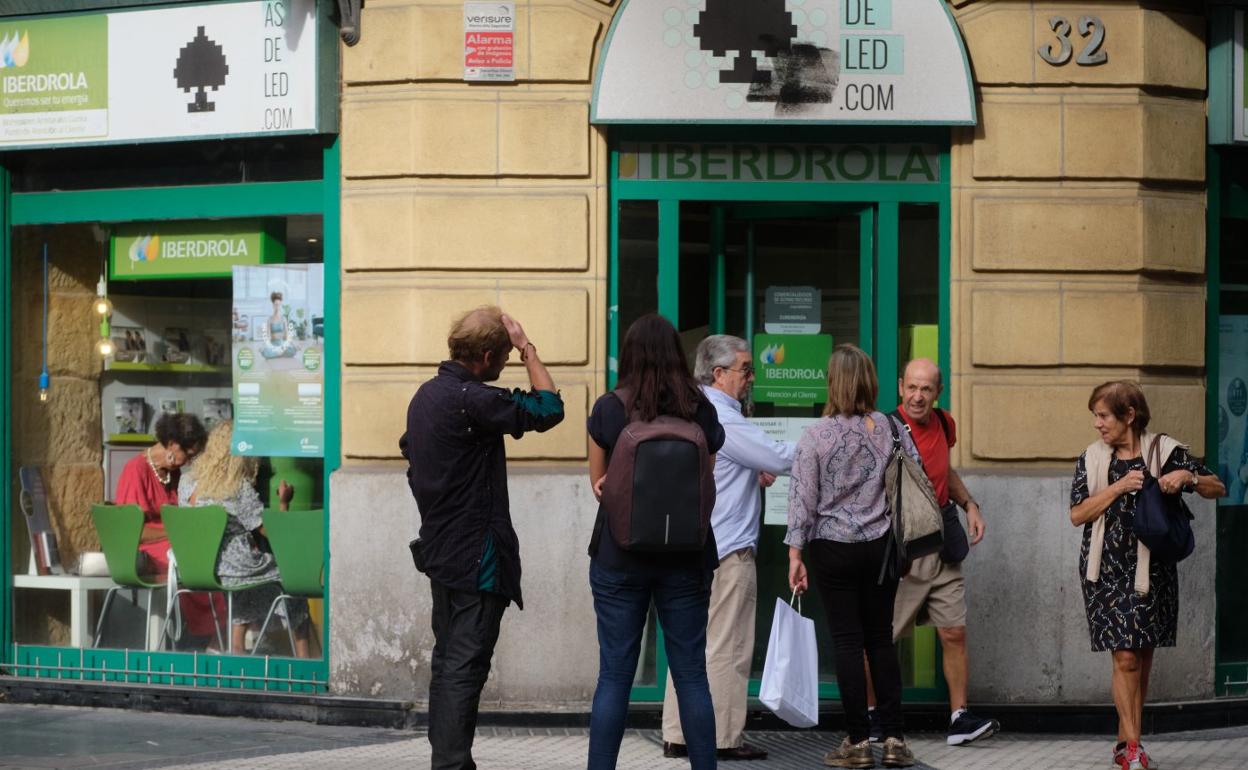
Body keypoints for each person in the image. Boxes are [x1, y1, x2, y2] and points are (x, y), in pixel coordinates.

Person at [400, 306, 563, 770]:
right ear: (487, 354)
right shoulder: (473, 400)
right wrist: (529, 346)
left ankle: (449, 762)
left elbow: (412, 455)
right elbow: (549, 407)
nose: (508, 364)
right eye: (507, 356)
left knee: (447, 662)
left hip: (440, 550)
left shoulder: (426, 396)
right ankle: (451, 765)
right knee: (463, 668)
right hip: (476, 556)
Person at [586, 314, 725, 770]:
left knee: (615, 676)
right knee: (690, 674)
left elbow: (600, 486)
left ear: (628, 355)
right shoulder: (700, 408)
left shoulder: (610, 408)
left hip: (619, 556)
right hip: (686, 556)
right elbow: (708, 468)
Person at [1070, 381, 1224, 770]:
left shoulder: (1165, 451)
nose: (1097, 424)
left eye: (1103, 415)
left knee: (1141, 659)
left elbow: (1217, 486)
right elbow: (1077, 514)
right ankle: (1134, 748)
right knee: (1124, 657)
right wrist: (1119, 487)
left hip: (1151, 572)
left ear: (1129, 416)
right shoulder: (1091, 458)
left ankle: (1125, 743)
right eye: (1096, 416)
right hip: (1104, 571)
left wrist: (1186, 478)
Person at [660, 335, 795, 762]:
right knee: (728, 646)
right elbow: (778, 456)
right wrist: (828, 441)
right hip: (728, 548)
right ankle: (720, 737)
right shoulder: (723, 415)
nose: (751, 377)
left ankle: (678, 733)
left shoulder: (688, 409)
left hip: (691, 547)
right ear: (718, 374)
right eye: (745, 369)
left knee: (689, 645)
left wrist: (746, 474)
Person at [786, 344, 919, 769]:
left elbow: (801, 500)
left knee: (847, 641)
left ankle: (858, 742)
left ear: (833, 382)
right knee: (880, 638)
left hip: (832, 547)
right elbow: (914, 478)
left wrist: (795, 553)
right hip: (881, 547)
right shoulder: (892, 427)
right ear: (869, 381)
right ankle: (894, 738)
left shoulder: (815, 435)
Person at [864, 359, 999, 746]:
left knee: (954, 631)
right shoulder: (882, 428)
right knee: (880, 636)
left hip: (943, 545)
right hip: (905, 550)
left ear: (937, 392)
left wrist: (970, 504)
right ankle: (872, 717)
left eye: (926, 389)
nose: (918, 396)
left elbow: (943, 472)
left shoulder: (945, 423)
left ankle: (959, 718)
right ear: (900, 386)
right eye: (912, 388)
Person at [177, 421, 312, 657]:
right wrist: (283, 502)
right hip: (236, 569)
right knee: (292, 577)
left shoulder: (186, 483)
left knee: (245, 587)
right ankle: (305, 660)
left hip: (200, 567)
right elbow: (275, 534)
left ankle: (235, 649)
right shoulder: (235, 488)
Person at [113, 412, 223, 645]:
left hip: (170, 545)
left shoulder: (172, 474)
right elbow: (134, 532)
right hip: (144, 548)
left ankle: (215, 632)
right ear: (172, 445)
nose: (189, 461)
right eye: (188, 454)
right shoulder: (137, 470)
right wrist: (176, 532)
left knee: (211, 553)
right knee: (192, 557)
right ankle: (210, 633)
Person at [261, 291, 297, 359]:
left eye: (278, 304)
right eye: (275, 304)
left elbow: (286, 335)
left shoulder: (283, 319)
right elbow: (268, 336)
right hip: (273, 344)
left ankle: (278, 353)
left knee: (293, 350)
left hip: (282, 344)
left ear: (280, 305)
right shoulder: (269, 319)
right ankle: (279, 353)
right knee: (265, 352)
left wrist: (294, 344)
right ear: (273, 305)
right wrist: (263, 346)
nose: (277, 306)